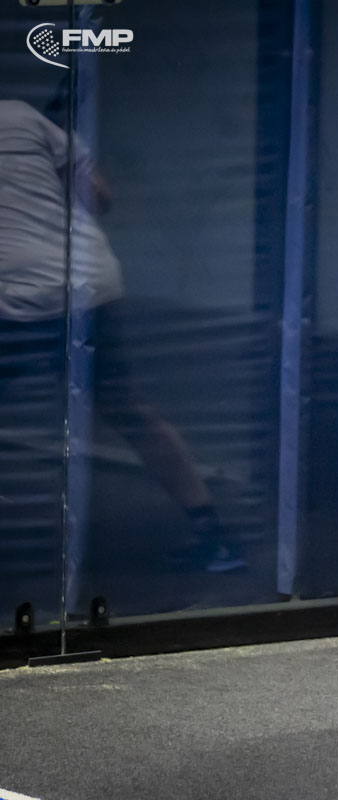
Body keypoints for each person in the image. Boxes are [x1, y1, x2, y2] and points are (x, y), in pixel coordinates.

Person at [0, 98, 245, 576]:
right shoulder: (23, 117)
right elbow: (99, 196)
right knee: (131, 410)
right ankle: (213, 533)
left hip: (23, 294)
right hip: (90, 281)